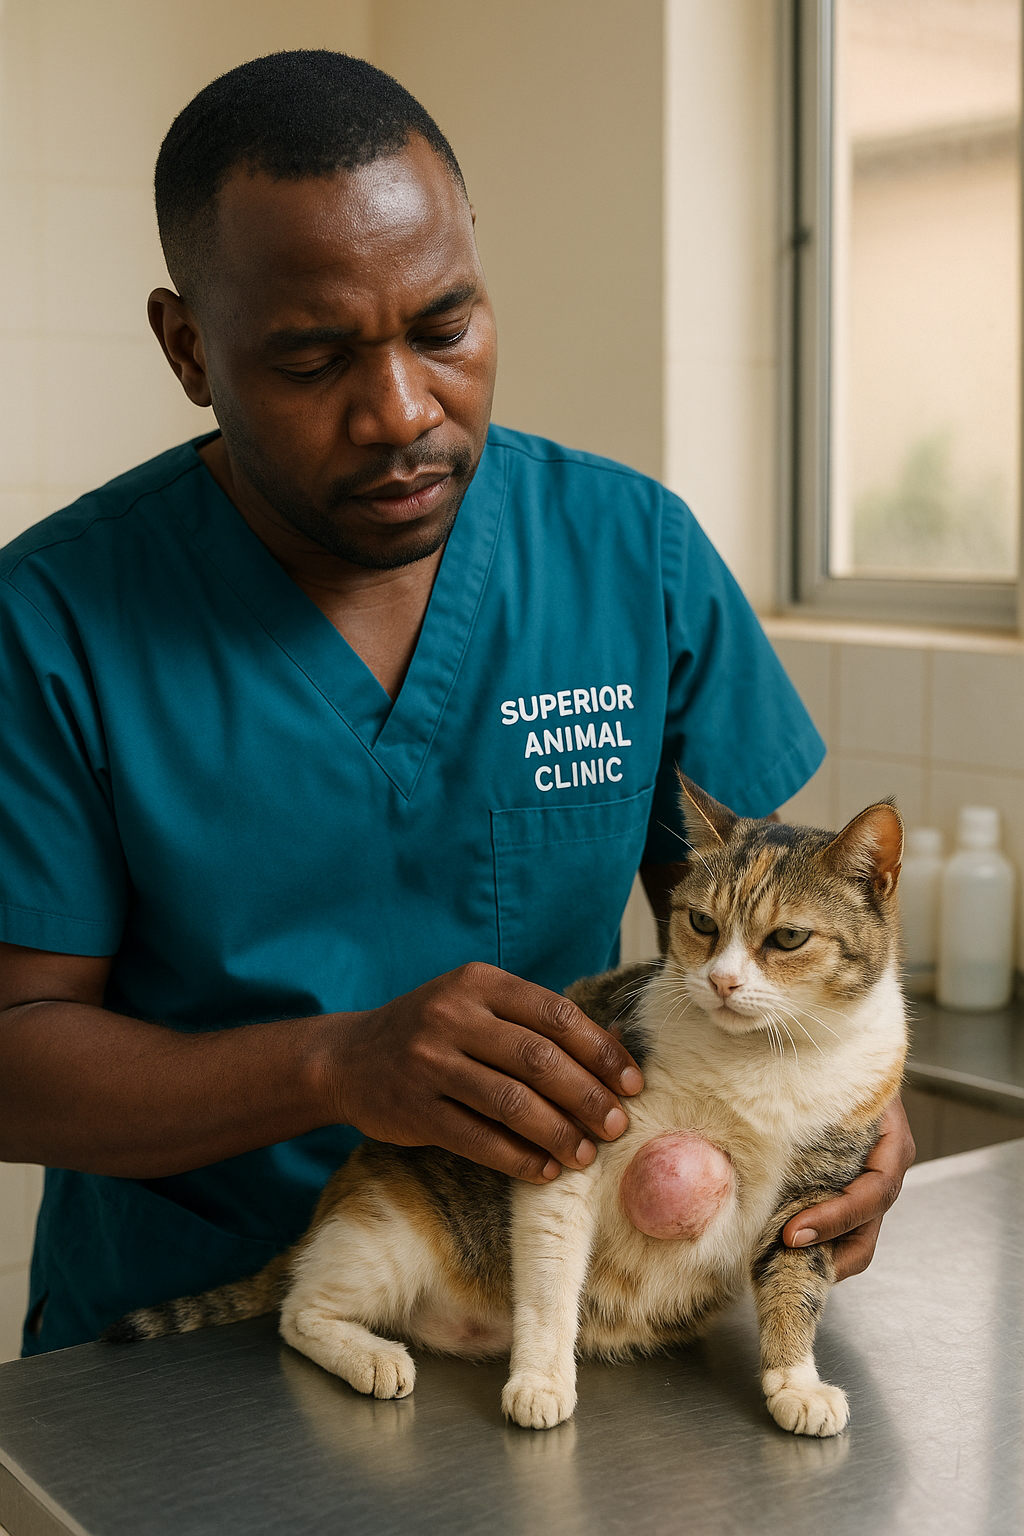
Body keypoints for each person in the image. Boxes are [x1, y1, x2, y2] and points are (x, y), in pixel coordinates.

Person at [0, 52, 914, 1356]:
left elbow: (765, 947)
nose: (401, 411)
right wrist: (332, 1066)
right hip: (172, 1352)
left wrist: (854, 1121)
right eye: (315, 357)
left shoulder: (631, 557)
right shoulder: (50, 624)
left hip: (543, 1321)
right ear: (189, 346)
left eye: (445, 329)